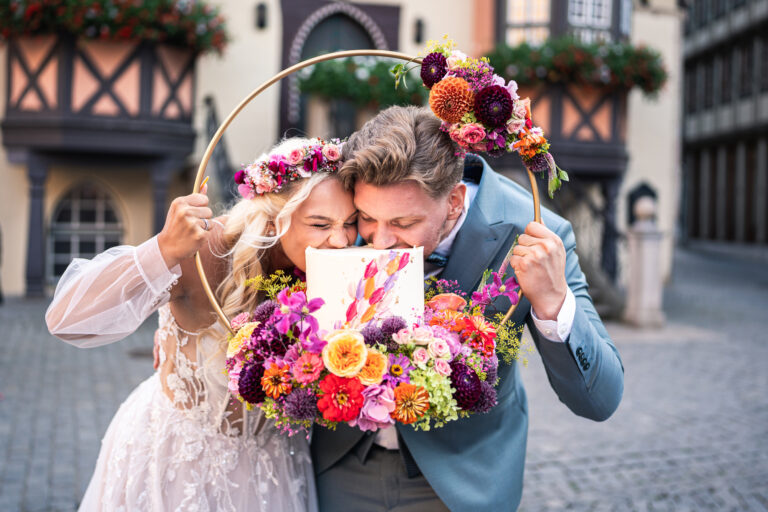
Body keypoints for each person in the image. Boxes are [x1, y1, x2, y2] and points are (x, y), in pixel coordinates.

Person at [311, 106, 625, 511]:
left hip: (461, 482)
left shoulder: (534, 232)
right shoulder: (340, 214)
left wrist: (553, 302)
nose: (381, 241)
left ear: (455, 202)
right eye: (368, 218)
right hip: (337, 466)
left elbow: (600, 399)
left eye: (404, 223)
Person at [45, 138, 356, 511]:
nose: (341, 241)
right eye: (320, 223)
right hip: (182, 462)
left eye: (351, 224)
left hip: (276, 464)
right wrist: (161, 249)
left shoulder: (343, 266)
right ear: (275, 218)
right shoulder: (207, 250)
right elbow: (66, 320)